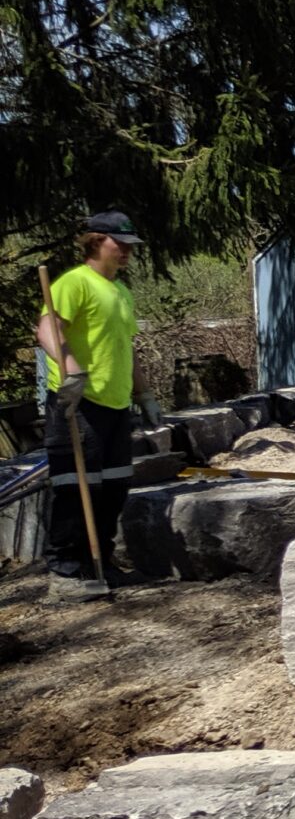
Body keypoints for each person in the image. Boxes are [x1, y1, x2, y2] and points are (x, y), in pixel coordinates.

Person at [33, 212, 143, 602]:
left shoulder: (121, 292)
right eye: (121, 243)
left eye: (131, 245)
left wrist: (145, 395)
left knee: (114, 488)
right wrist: (73, 373)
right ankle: (64, 573)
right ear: (97, 240)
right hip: (79, 402)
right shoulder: (74, 283)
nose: (128, 251)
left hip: (115, 404)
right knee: (75, 488)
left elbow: (127, 348)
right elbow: (47, 328)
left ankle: (102, 565)